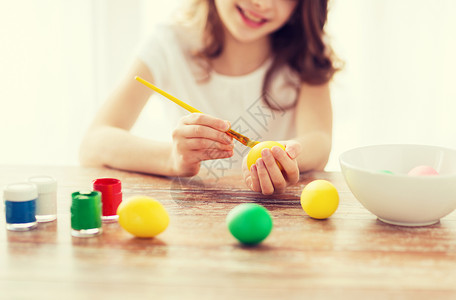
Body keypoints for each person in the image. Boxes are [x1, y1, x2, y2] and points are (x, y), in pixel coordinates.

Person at [79, 0, 340, 195]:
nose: (262, 4)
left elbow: (319, 142)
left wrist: (283, 157)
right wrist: (172, 158)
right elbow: (93, 144)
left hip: (278, 214)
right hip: (191, 210)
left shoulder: (308, 51)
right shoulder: (168, 44)